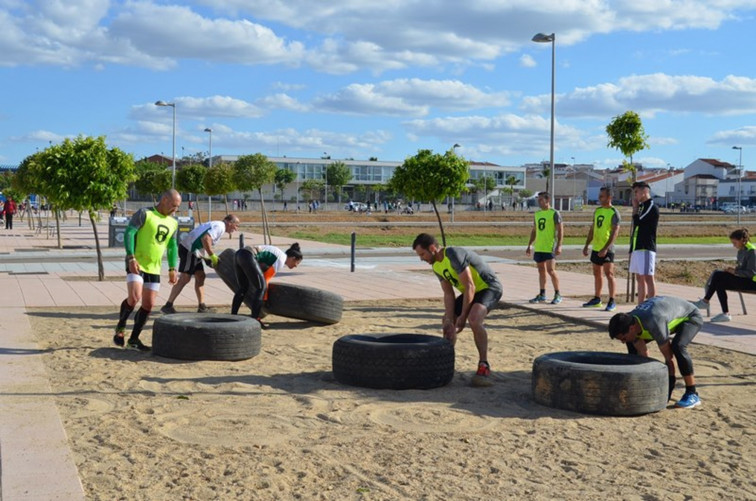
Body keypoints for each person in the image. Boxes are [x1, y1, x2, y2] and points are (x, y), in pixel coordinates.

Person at [412, 233, 503, 387]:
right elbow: (448, 293)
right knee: (446, 321)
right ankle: (445, 360)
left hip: (488, 287)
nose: (421, 258)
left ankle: (484, 365)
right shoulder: (436, 265)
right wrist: (449, 319)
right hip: (471, 291)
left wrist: (462, 317)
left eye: (422, 254)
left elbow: (470, 286)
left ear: (433, 248)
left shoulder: (453, 254)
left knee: (473, 319)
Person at [114, 189, 182, 351]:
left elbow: (172, 246)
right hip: (136, 263)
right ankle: (121, 327)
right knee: (134, 297)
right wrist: (131, 257)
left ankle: (134, 339)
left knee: (149, 304)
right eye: (173, 205)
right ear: (164, 200)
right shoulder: (144, 213)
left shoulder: (173, 222)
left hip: (154, 267)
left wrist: (173, 267)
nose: (175, 209)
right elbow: (129, 232)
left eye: (177, 207)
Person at [608, 296, 703, 409]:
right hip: (663, 314)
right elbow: (642, 353)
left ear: (632, 328)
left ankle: (692, 393)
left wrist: (669, 386)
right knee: (632, 345)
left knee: (678, 346)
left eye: (623, 338)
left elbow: (669, 358)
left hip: (690, 316)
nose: (622, 342)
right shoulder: (630, 320)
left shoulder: (654, 322)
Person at [160, 214, 241, 314]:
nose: (236, 229)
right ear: (229, 223)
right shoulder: (220, 226)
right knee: (185, 278)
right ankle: (168, 305)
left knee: (200, 276)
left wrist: (206, 257)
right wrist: (212, 255)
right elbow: (205, 239)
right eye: (236, 225)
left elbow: (203, 240)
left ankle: (202, 306)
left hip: (194, 251)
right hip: (189, 250)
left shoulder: (218, 225)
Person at [231, 243, 303, 327]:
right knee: (261, 288)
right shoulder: (281, 259)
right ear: (293, 258)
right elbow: (266, 279)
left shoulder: (279, 254)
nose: (296, 266)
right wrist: (265, 299)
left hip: (239, 254)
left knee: (243, 287)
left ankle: (233, 315)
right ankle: (255, 318)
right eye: (297, 263)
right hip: (248, 255)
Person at [691, 228, 756, 322]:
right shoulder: (741, 251)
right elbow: (742, 268)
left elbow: (751, 273)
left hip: (752, 282)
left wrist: (735, 272)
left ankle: (705, 302)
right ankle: (725, 314)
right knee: (719, 281)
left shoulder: (752, 252)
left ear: (742, 240)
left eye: (735, 243)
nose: (733, 245)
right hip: (745, 279)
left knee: (718, 275)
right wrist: (732, 270)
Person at [582, 186, 621, 311]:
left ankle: (612, 300)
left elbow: (615, 233)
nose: (599, 198)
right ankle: (597, 298)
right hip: (596, 247)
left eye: (602, 196)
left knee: (609, 274)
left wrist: (606, 248)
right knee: (597, 274)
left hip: (607, 249)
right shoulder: (597, 211)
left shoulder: (614, 212)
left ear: (609, 197)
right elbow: (593, 229)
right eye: (599, 196)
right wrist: (587, 244)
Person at [525, 192, 563, 304]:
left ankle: (558, 294)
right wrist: (529, 245)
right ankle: (542, 294)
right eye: (538, 200)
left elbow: (560, 230)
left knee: (551, 270)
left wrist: (559, 245)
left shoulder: (554, 213)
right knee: (541, 271)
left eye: (541, 199)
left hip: (549, 246)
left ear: (547, 200)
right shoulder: (537, 214)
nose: (539, 202)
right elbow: (534, 230)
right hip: (539, 247)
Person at [629, 181, 659, 304]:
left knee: (648, 277)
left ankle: (650, 306)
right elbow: (636, 228)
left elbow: (638, 221)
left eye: (636, 192)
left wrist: (635, 208)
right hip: (638, 246)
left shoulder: (651, 206)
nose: (635, 195)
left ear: (644, 191)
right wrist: (632, 249)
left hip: (646, 247)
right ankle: (640, 306)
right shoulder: (641, 207)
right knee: (639, 278)